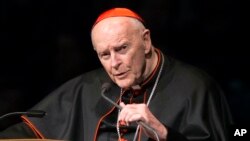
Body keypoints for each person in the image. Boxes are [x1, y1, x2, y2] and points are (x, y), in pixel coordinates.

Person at [0, 7, 233, 141]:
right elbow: (28, 131)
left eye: (122, 49)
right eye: (104, 55)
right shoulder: (88, 86)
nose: (114, 64)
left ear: (146, 41)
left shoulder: (196, 87)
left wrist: (163, 133)